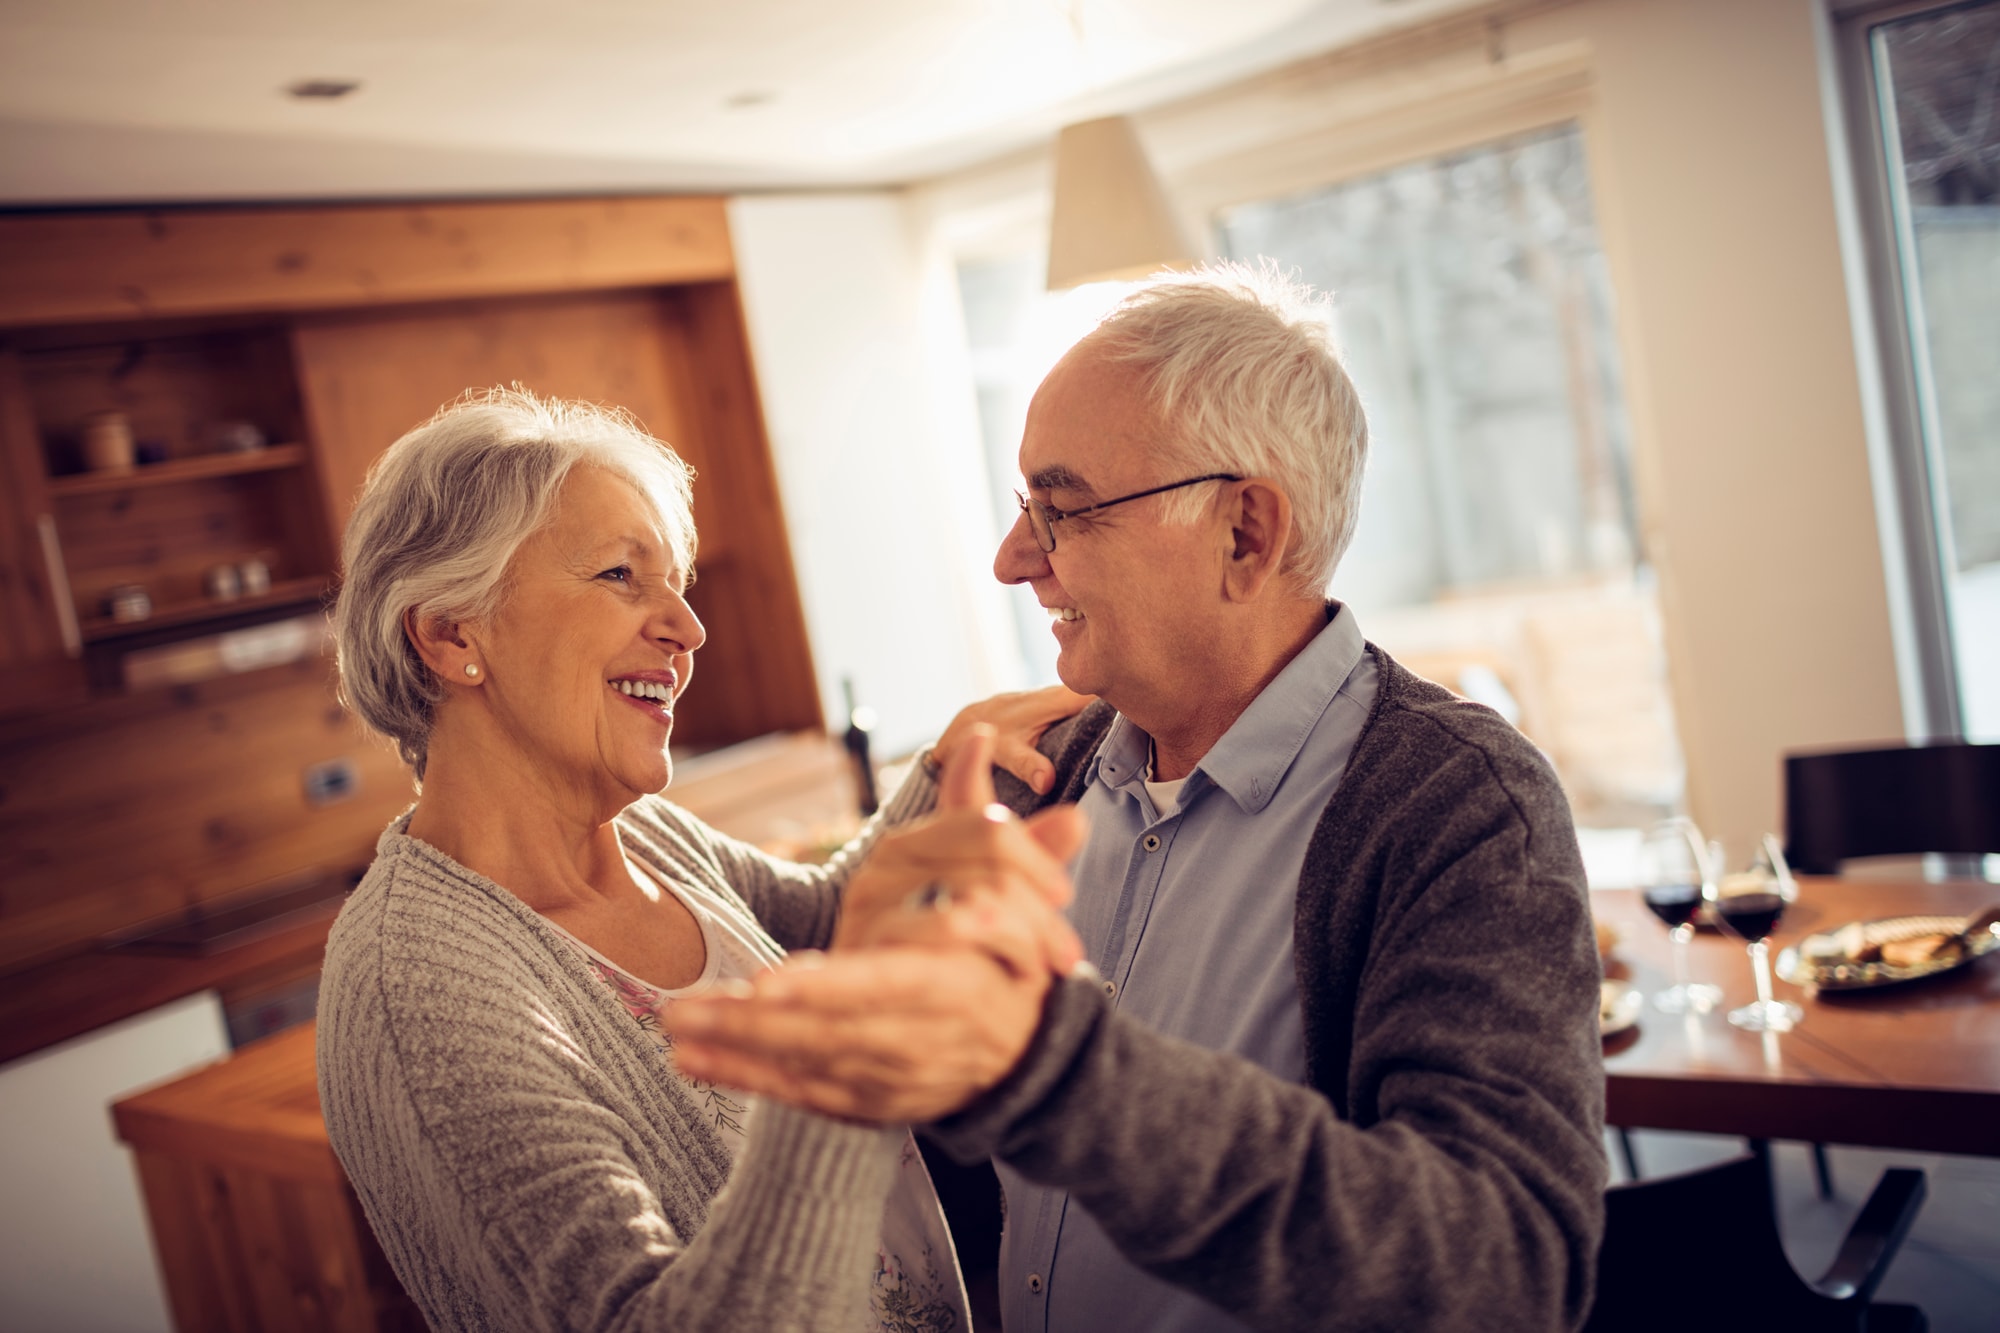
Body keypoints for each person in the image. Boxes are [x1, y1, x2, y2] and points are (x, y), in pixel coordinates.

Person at [669, 263, 1609, 1332]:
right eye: (1022, 506)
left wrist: (1051, 1070)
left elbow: (1503, 1273)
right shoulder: (1036, 774)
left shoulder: (1456, 804)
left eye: (1061, 509)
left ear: (1244, 534)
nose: (1011, 559)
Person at [315, 387, 1090, 1333]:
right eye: (619, 576)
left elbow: (820, 927)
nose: (687, 629)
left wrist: (951, 768)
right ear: (450, 634)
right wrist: (836, 1075)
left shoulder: (642, 833)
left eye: (676, 583)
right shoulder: (421, 986)